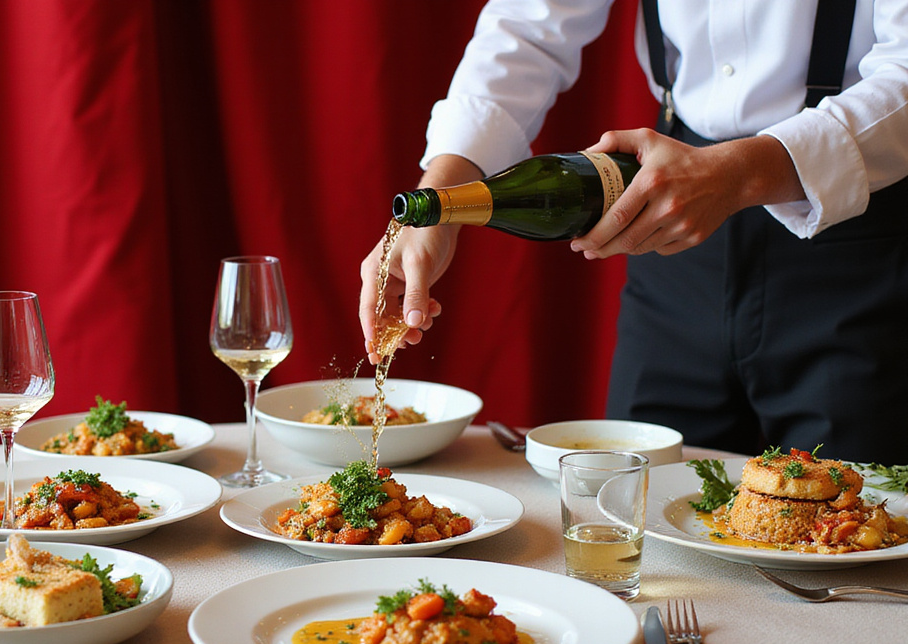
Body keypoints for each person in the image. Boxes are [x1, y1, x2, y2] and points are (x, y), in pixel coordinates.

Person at [361, 0, 908, 463]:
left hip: (854, 245)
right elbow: (527, 26)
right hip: (670, 246)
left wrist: (740, 173)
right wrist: (440, 197)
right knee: (630, 512)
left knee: (855, 528)